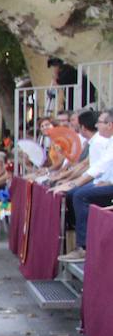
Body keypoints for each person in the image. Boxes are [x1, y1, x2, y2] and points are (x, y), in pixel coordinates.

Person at [59, 109, 113, 262]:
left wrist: (73, 183)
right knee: (75, 193)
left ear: (109, 125)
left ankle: (84, 246)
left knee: (79, 195)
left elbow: (99, 167)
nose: (97, 125)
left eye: (100, 123)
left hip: (105, 182)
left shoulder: (103, 142)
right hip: (105, 181)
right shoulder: (107, 141)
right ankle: (79, 236)